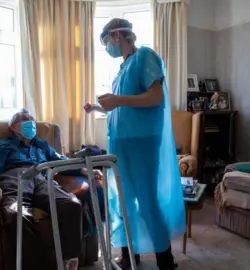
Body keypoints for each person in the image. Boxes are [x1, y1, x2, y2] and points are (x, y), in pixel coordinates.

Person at [84, 18, 186, 270]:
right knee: (123, 201)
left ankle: (166, 260)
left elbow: (154, 97)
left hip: (142, 143)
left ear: (117, 35)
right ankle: (130, 254)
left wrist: (117, 100)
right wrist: (100, 107)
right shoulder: (123, 68)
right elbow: (124, 110)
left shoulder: (145, 57)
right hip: (120, 144)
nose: (107, 46)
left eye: (107, 41)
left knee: (147, 200)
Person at [0, 109, 103, 270]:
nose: (30, 123)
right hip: (16, 178)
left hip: (42, 177)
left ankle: (69, 260)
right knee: (16, 214)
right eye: (24, 120)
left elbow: (60, 161)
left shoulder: (41, 144)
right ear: (13, 127)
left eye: (32, 120)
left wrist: (83, 169)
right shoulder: (3, 145)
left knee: (72, 204)